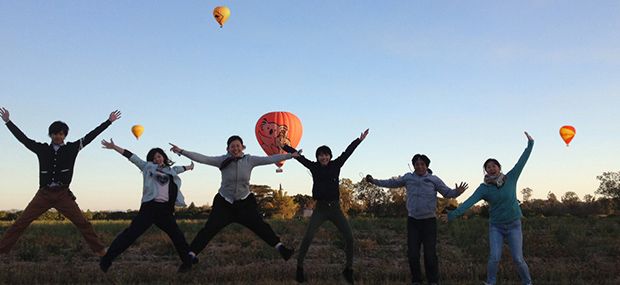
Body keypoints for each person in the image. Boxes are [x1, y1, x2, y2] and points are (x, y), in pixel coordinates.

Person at [0, 107, 121, 256]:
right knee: (21, 222)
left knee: (83, 223)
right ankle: (2, 250)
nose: (58, 136)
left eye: (61, 134)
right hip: (43, 194)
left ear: (65, 135)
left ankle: (100, 250)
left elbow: (91, 136)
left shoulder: (72, 148)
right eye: (55, 133)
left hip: (63, 194)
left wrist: (108, 121)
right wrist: (8, 122)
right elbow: (24, 139)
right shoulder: (42, 149)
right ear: (50, 135)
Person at [169, 135, 300, 270]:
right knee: (209, 229)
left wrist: (290, 156)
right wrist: (181, 151)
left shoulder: (250, 160)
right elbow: (203, 158)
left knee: (260, 226)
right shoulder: (222, 160)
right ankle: (190, 257)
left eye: (238, 146)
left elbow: (269, 159)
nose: (235, 148)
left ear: (242, 147)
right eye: (232, 146)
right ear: (228, 148)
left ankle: (281, 249)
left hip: (245, 203)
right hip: (224, 203)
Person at [445, 132, 534, 285]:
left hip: (514, 224)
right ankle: (490, 283)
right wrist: (452, 215)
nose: (491, 168)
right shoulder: (484, 188)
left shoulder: (511, 178)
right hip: (496, 227)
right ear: (485, 171)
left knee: (518, 259)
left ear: (499, 168)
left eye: (494, 166)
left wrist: (530, 144)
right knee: (494, 258)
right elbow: (469, 202)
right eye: (488, 167)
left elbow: (522, 161)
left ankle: (528, 282)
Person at [283, 129, 369, 284]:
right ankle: (299, 268)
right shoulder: (314, 167)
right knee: (308, 237)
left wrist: (359, 140)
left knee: (349, 238)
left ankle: (348, 269)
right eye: (321, 155)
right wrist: (285, 147)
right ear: (317, 157)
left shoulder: (336, 165)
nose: (324, 157)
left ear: (330, 156)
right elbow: (299, 157)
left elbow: (348, 152)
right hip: (320, 209)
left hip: (335, 209)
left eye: (326, 154)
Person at [366, 154, 468, 285]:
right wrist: (374, 181)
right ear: (413, 166)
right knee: (413, 254)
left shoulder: (433, 179)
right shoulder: (408, 178)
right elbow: (391, 183)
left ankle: (433, 281)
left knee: (430, 254)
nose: (419, 166)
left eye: (422, 164)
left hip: (429, 222)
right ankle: (416, 280)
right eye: (417, 164)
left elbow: (447, 193)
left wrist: (457, 192)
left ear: (427, 166)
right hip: (413, 221)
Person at [99, 139, 195, 273]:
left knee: (177, 235)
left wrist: (190, 167)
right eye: (154, 157)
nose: (157, 158)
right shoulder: (147, 167)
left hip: (165, 211)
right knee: (130, 234)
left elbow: (181, 168)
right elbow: (132, 157)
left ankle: (187, 262)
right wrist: (114, 147)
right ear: (151, 160)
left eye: (159, 156)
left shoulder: (171, 171)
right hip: (149, 208)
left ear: (164, 157)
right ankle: (107, 259)